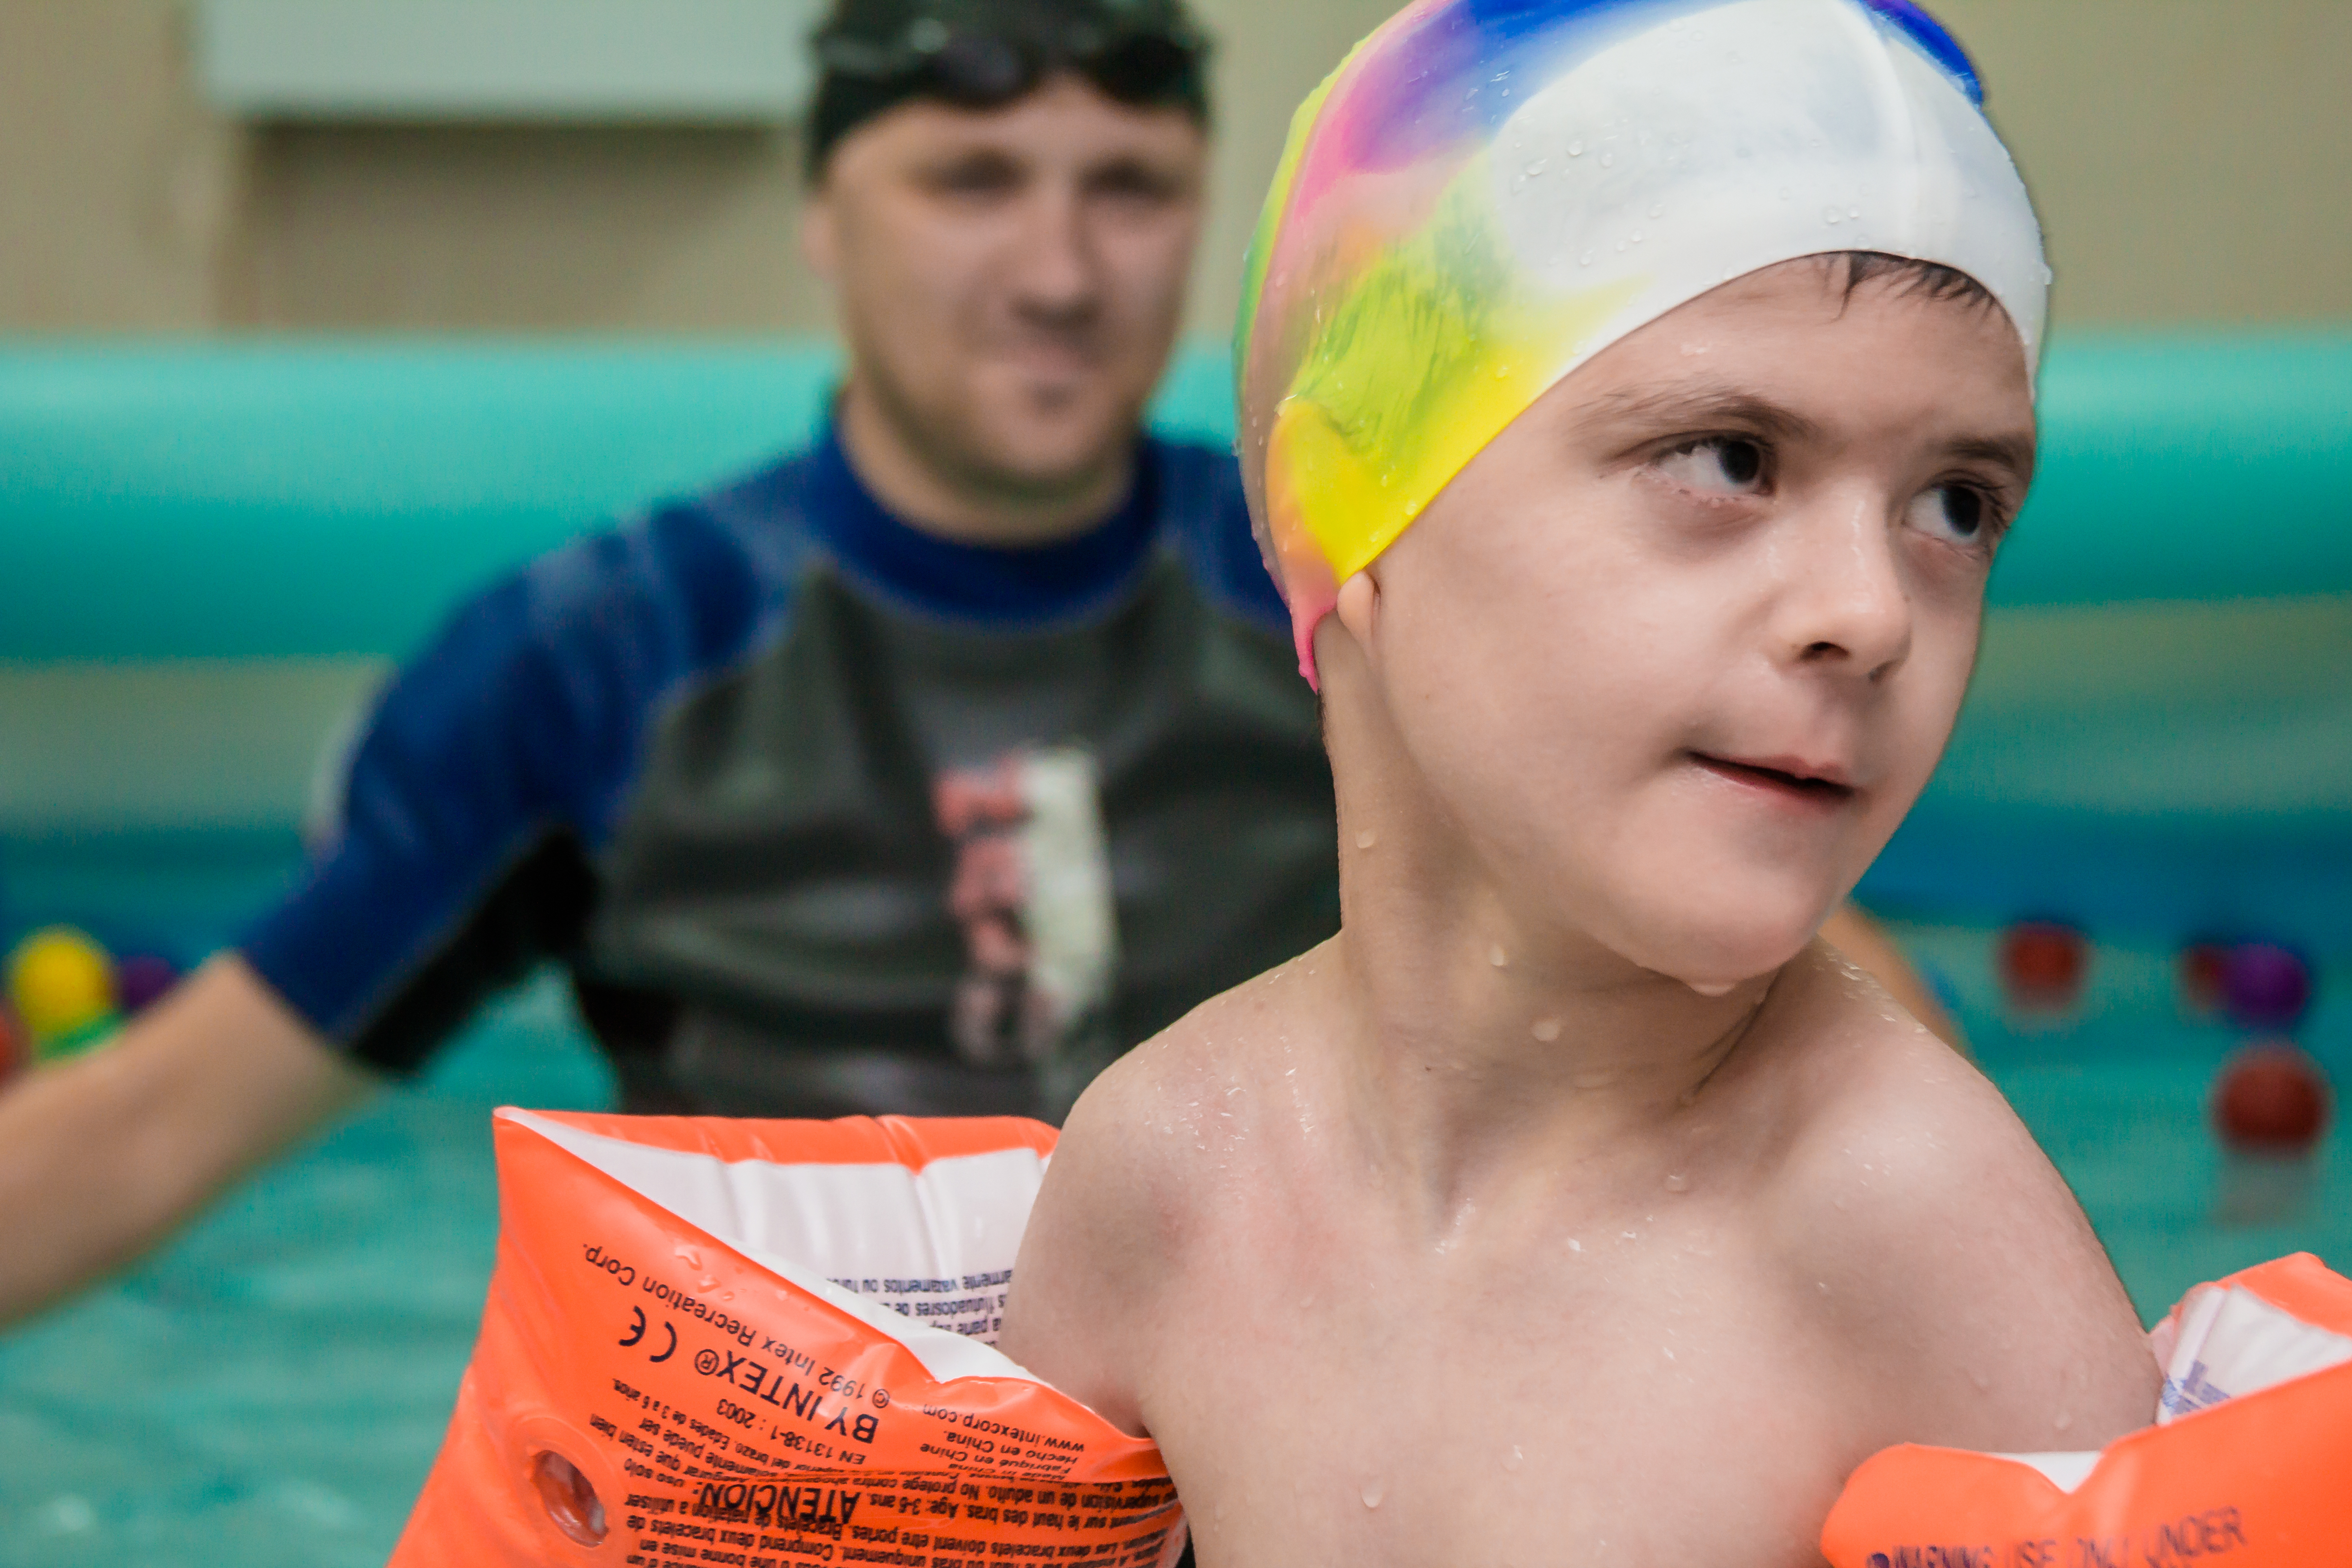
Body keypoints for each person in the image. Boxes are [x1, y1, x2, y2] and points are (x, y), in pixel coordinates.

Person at [0, 0, 1944, 1332]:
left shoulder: (1366, 585)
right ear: (823, 212)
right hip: (806, 1462)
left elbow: (1810, 996)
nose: (1061, 267)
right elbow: (155, 1124)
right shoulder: (607, 662)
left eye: (1129, 186)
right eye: (973, 181)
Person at [998, 2, 2156, 1564]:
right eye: (1729, 459)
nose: (1873, 611)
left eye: (1955, 502)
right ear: (1354, 512)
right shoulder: (1166, 1173)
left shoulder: (1919, 1243)